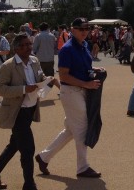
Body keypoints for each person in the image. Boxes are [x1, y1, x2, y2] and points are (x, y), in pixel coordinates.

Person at [0, 33, 56, 190]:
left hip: (30, 110)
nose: (28, 47)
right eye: (23, 45)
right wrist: (23, 89)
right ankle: (29, 184)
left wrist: (47, 79)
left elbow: (39, 76)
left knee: (14, 145)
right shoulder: (8, 66)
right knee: (28, 148)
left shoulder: (34, 61)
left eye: (29, 44)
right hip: (17, 113)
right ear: (15, 49)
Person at [36, 18, 103, 179]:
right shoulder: (67, 49)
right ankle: (82, 167)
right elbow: (64, 75)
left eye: (87, 28)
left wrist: (94, 68)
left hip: (79, 91)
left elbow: (81, 67)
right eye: (81, 29)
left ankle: (44, 157)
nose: (85, 31)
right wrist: (86, 84)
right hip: (72, 92)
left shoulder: (83, 45)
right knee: (81, 129)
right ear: (72, 30)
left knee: (71, 130)